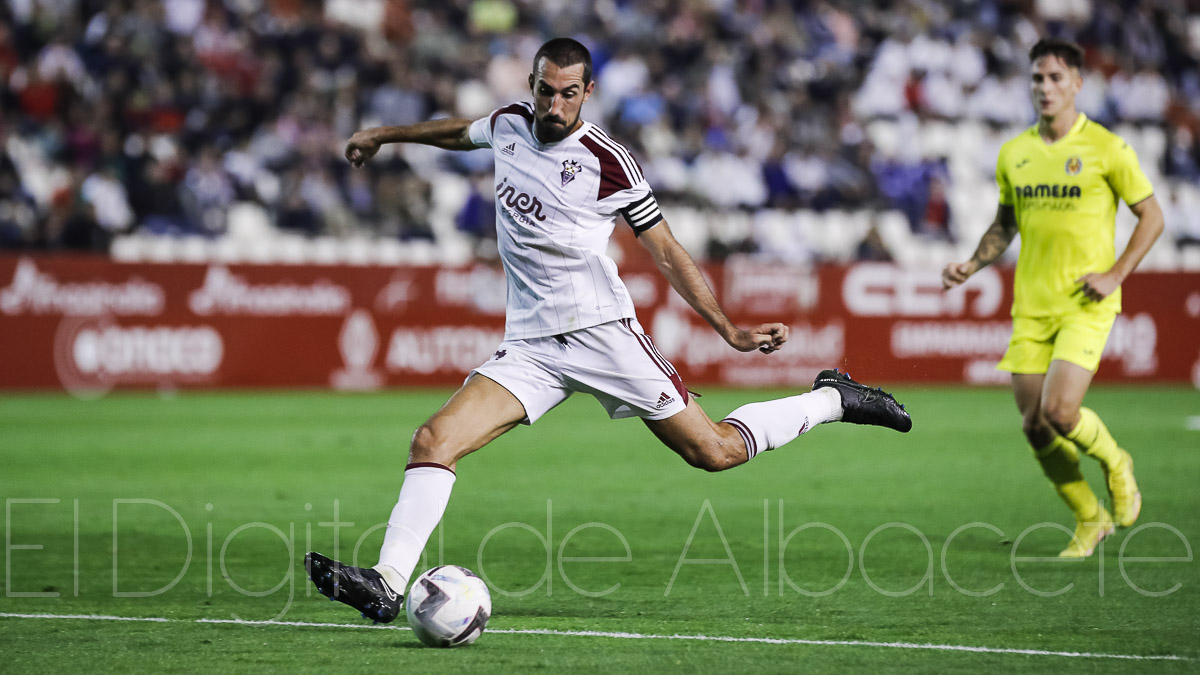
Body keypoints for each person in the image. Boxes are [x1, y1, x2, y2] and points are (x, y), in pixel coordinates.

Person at [306, 38, 911, 623]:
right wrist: (384, 135)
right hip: (532, 346)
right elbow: (459, 133)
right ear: (531, 86)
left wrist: (728, 329)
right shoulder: (511, 123)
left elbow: (668, 251)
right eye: (546, 91)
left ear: (588, 92)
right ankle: (386, 584)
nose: (554, 106)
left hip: (603, 335)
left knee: (714, 451)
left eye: (569, 94)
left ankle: (833, 398)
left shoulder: (609, 163)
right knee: (432, 442)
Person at [943, 38, 1164, 558]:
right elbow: (1005, 225)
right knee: (1034, 424)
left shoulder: (1107, 148)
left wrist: (1115, 273)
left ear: (1078, 84)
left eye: (1056, 78)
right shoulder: (1014, 153)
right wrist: (972, 264)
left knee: (1063, 412)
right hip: (1031, 305)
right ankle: (1091, 518)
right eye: (1038, 78)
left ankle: (1116, 462)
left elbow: (1152, 216)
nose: (1045, 88)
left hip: (1086, 301)